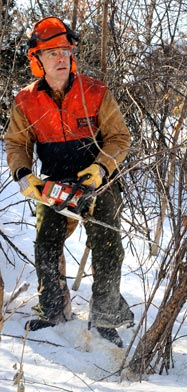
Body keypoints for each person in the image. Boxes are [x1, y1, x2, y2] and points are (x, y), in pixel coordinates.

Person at [4, 16, 134, 347]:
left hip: (97, 179)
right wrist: (23, 175)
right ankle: (52, 311)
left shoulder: (95, 92)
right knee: (45, 241)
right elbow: (17, 144)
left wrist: (102, 168)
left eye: (64, 51)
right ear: (38, 60)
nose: (61, 59)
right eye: (52, 53)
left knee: (107, 246)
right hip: (54, 179)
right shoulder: (26, 101)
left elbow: (120, 137)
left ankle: (106, 317)